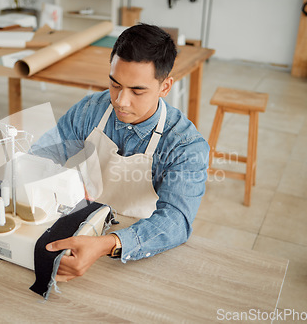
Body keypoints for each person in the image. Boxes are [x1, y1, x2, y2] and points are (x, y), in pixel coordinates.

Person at [34, 23, 209, 282]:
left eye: (137, 90)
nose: (120, 101)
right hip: (83, 227)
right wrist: (61, 180)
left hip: (139, 249)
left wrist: (108, 244)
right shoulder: (90, 110)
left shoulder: (184, 144)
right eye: (115, 84)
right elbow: (40, 155)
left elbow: (176, 221)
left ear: (165, 87)